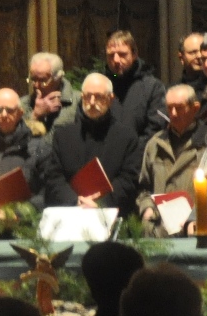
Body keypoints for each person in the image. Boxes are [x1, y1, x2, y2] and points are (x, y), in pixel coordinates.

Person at [42, 73, 142, 214]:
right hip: (71, 213)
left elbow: (128, 180)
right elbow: (54, 177)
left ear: (110, 99)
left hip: (111, 213)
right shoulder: (63, 136)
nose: (92, 102)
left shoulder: (127, 137)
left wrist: (100, 203)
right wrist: (75, 201)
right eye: (88, 96)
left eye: (99, 96)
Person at [135, 84, 206, 233]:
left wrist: (195, 218)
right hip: (158, 231)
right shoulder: (155, 144)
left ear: (195, 108)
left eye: (179, 108)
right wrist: (147, 208)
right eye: (169, 108)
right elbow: (143, 188)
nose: (173, 114)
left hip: (192, 229)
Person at [99, 29, 169, 137]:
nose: (116, 60)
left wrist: (132, 147)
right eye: (111, 55)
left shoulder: (152, 87)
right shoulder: (99, 86)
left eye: (122, 54)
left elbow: (156, 128)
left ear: (134, 54)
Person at [27, 51, 77, 129]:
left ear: (58, 78)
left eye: (43, 81)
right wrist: (35, 116)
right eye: (33, 80)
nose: (36, 86)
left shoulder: (77, 103)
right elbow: (18, 136)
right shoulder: (23, 105)